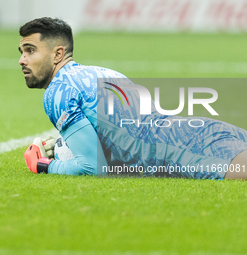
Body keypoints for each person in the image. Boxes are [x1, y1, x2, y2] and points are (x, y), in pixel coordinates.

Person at [19, 17, 247, 180]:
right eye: (21, 52)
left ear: (58, 53)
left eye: (30, 50)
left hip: (186, 153)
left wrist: (44, 165)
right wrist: (64, 142)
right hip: (201, 129)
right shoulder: (102, 72)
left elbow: (92, 168)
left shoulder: (57, 92)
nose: (22, 60)